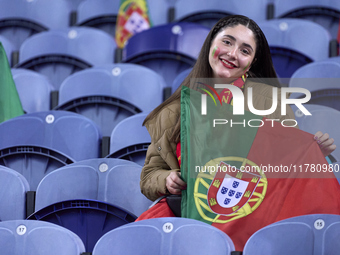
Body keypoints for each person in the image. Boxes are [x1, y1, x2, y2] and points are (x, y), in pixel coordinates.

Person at [140, 15, 336, 202]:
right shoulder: (173, 110)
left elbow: (285, 168)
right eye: (227, 42)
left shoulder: (270, 101)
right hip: (189, 212)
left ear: (252, 63)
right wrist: (166, 179)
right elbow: (149, 174)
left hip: (252, 212)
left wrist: (312, 153)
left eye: (245, 51)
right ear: (210, 43)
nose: (233, 54)